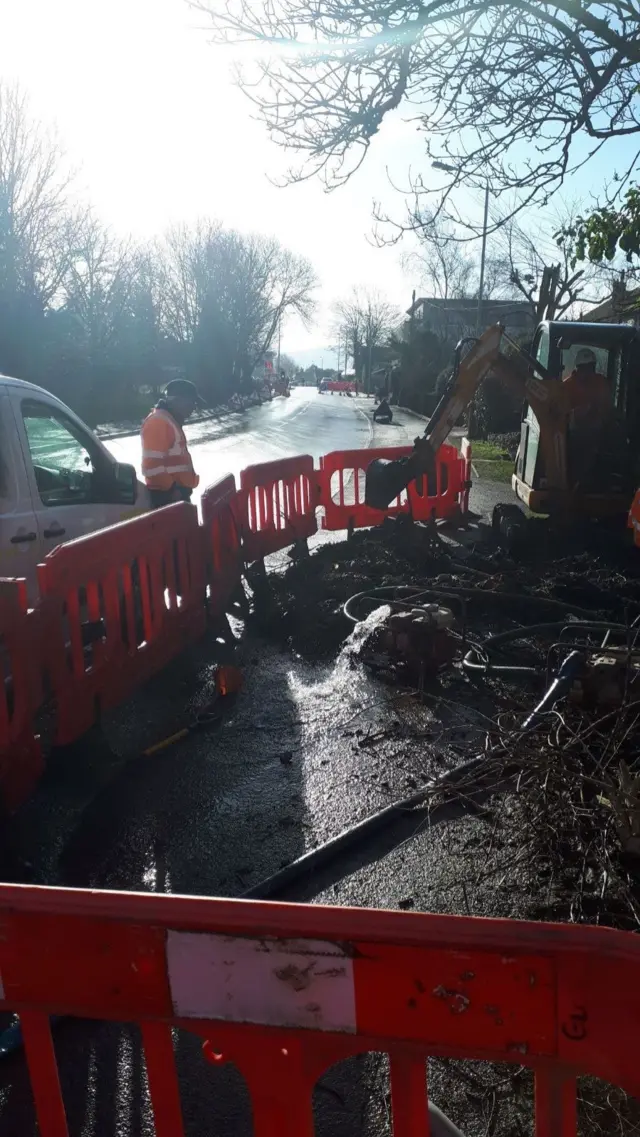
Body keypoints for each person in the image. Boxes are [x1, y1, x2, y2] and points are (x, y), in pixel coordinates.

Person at [141, 379, 203, 508]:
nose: (194, 407)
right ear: (178, 400)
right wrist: (173, 491)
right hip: (167, 498)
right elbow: (152, 467)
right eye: (192, 402)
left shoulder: (169, 420)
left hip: (175, 496)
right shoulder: (159, 422)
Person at [562, 348, 613, 486]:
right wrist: (578, 412)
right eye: (585, 368)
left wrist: (599, 414)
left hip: (598, 430)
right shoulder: (567, 386)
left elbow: (607, 407)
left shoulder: (601, 383)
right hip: (573, 432)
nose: (588, 372)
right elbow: (562, 413)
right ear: (578, 368)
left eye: (591, 367)